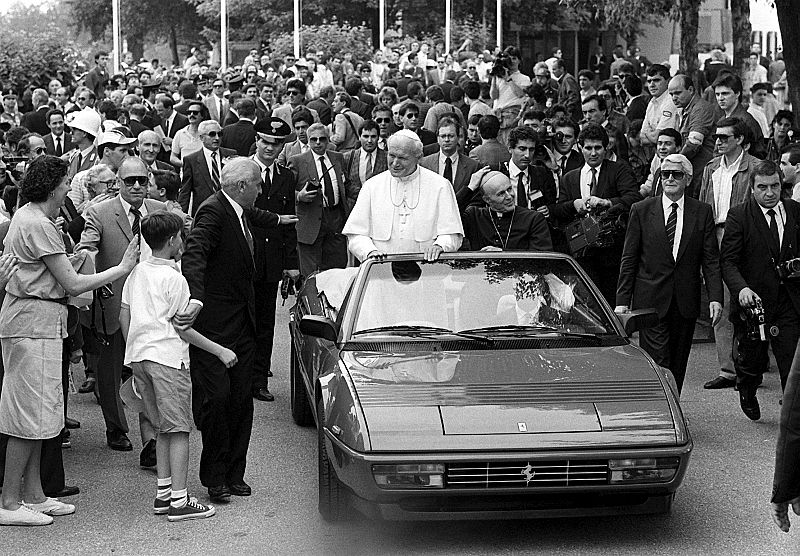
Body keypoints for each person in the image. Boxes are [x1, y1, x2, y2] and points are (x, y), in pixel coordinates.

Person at [0, 155, 138, 526]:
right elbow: (72, 284)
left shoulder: (34, 218)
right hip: (32, 323)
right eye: (64, 184)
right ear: (51, 187)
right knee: (28, 416)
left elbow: (57, 273)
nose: (67, 190)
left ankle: (34, 495)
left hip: (39, 321)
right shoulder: (36, 222)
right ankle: (10, 502)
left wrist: (74, 259)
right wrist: (120, 269)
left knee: (43, 415)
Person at [176, 158, 296, 503]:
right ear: (242, 186)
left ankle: (234, 474)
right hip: (215, 328)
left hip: (243, 325)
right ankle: (214, 476)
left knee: (242, 402)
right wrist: (195, 299)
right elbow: (195, 253)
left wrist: (276, 220)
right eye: (258, 185)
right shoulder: (212, 212)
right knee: (217, 401)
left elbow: (253, 216)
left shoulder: (238, 207)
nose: (262, 190)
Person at [119, 211, 225, 522]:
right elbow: (183, 327)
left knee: (161, 427)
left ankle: (164, 493)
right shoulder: (175, 279)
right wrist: (220, 351)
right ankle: (179, 498)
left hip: (139, 357)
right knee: (179, 429)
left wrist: (135, 347)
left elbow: (124, 316)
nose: (182, 240)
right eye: (180, 236)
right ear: (171, 241)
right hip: (169, 359)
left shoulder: (136, 273)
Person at [77, 157, 167, 455]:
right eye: (130, 181)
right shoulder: (100, 212)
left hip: (151, 306)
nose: (137, 186)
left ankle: (151, 440)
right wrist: (92, 269)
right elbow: (85, 247)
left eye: (142, 180)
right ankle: (116, 428)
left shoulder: (158, 210)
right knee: (110, 370)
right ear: (118, 183)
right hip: (112, 303)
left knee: (148, 369)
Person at [616, 154, 723, 393]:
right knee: (658, 362)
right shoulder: (641, 210)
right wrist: (622, 302)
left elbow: (710, 260)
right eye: (665, 174)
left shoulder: (702, 211)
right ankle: (659, 410)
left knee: (677, 362)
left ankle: (673, 407)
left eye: (677, 174)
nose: (670, 179)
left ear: (688, 179)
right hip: (650, 302)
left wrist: (716, 297)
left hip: (684, 302)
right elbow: (629, 258)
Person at [720, 160, 800, 420]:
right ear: (752, 189)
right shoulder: (739, 216)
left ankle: (792, 416)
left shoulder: (796, 212)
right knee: (752, 361)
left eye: (775, 186)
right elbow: (728, 261)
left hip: (788, 301)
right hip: (754, 302)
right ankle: (747, 388)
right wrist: (741, 288)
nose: (769, 192)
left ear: (782, 185)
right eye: (762, 187)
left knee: (790, 359)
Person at [699, 117, 761, 390]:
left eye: (725, 137)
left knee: (749, 304)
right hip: (715, 233)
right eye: (717, 136)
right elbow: (703, 206)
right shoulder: (711, 168)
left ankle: (751, 368)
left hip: (745, 237)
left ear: (739, 139)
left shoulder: (755, 168)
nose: (719, 141)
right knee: (720, 303)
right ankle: (728, 370)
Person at [552, 123, 641, 303]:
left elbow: (634, 198)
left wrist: (607, 202)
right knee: (585, 304)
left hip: (611, 254)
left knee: (611, 302)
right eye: (588, 148)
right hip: (582, 255)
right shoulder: (569, 177)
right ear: (580, 147)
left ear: (606, 148)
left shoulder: (619, 169)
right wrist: (574, 204)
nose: (593, 153)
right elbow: (558, 210)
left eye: (598, 148)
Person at [343, 129, 463, 261]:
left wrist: (440, 245)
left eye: (402, 158)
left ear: (418, 157)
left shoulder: (440, 186)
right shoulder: (372, 186)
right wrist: (369, 251)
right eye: (392, 155)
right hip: (382, 270)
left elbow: (452, 233)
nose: (395, 163)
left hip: (428, 270)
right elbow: (356, 234)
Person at [250, 118, 299, 403]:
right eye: (265, 141)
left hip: (271, 259)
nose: (270, 148)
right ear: (256, 140)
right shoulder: (242, 170)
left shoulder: (286, 176)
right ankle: (241, 378)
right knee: (243, 320)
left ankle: (258, 380)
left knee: (266, 323)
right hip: (245, 256)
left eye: (277, 143)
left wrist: (290, 263)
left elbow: (289, 222)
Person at [289, 123, 352, 277]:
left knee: (337, 267)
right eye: (314, 139)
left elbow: (346, 185)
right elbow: (284, 191)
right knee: (311, 273)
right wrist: (299, 196)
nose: (318, 143)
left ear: (328, 140)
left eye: (322, 139)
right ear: (308, 141)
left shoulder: (337, 157)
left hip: (335, 218)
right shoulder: (297, 161)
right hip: (310, 220)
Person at [457, 168, 552, 251]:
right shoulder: (474, 216)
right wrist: (470, 188)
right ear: (487, 199)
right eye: (501, 193)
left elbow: (541, 258)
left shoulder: (534, 219)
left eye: (510, 189)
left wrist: (503, 253)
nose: (509, 196)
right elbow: (450, 215)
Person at [667, 74, 716, 198]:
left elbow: (694, 143)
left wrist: (676, 162)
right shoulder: (685, 109)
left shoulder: (701, 109)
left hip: (702, 172)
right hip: (694, 171)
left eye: (677, 93)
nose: (674, 98)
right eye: (671, 94)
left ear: (690, 90)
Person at [178, 120, 236, 216]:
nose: (217, 138)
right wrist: (181, 218)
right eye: (212, 134)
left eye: (220, 134)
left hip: (228, 212)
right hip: (204, 213)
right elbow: (185, 192)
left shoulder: (231, 155)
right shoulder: (191, 160)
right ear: (202, 137)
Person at [420, 117, 479, 192]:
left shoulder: (472, 166)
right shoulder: (425, 164)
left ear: (457, 138)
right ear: (438, 139)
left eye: (451, 136)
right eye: (443, 136)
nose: (447, 140)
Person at [489, 46, 530, 146]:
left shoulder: (524, 78)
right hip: (498, 116)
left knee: (510, 146)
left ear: (519, 61)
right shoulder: (499, 78)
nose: (511, 61)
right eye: (509, 58)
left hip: (512, 116)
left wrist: (508, 79)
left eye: (514, 58)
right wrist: (494, 76)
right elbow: (493, 96)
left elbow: (520, 94)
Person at [343, 120, 388, 204]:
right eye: (366, 136)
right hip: (354, 207)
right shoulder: (348, 157)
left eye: (373, 136)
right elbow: (345, 184)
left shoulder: (387, 158)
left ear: (378, 137)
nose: (369, 140)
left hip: (379, 204)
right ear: (359, 137)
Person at [170, 100, 207, 168]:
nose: (191, 115)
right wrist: (185, 164)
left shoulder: (207, 134)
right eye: (189, 112)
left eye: (195, 113)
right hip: (186, 174)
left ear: (202, 115)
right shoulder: (180, 134)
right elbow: (173, 157)